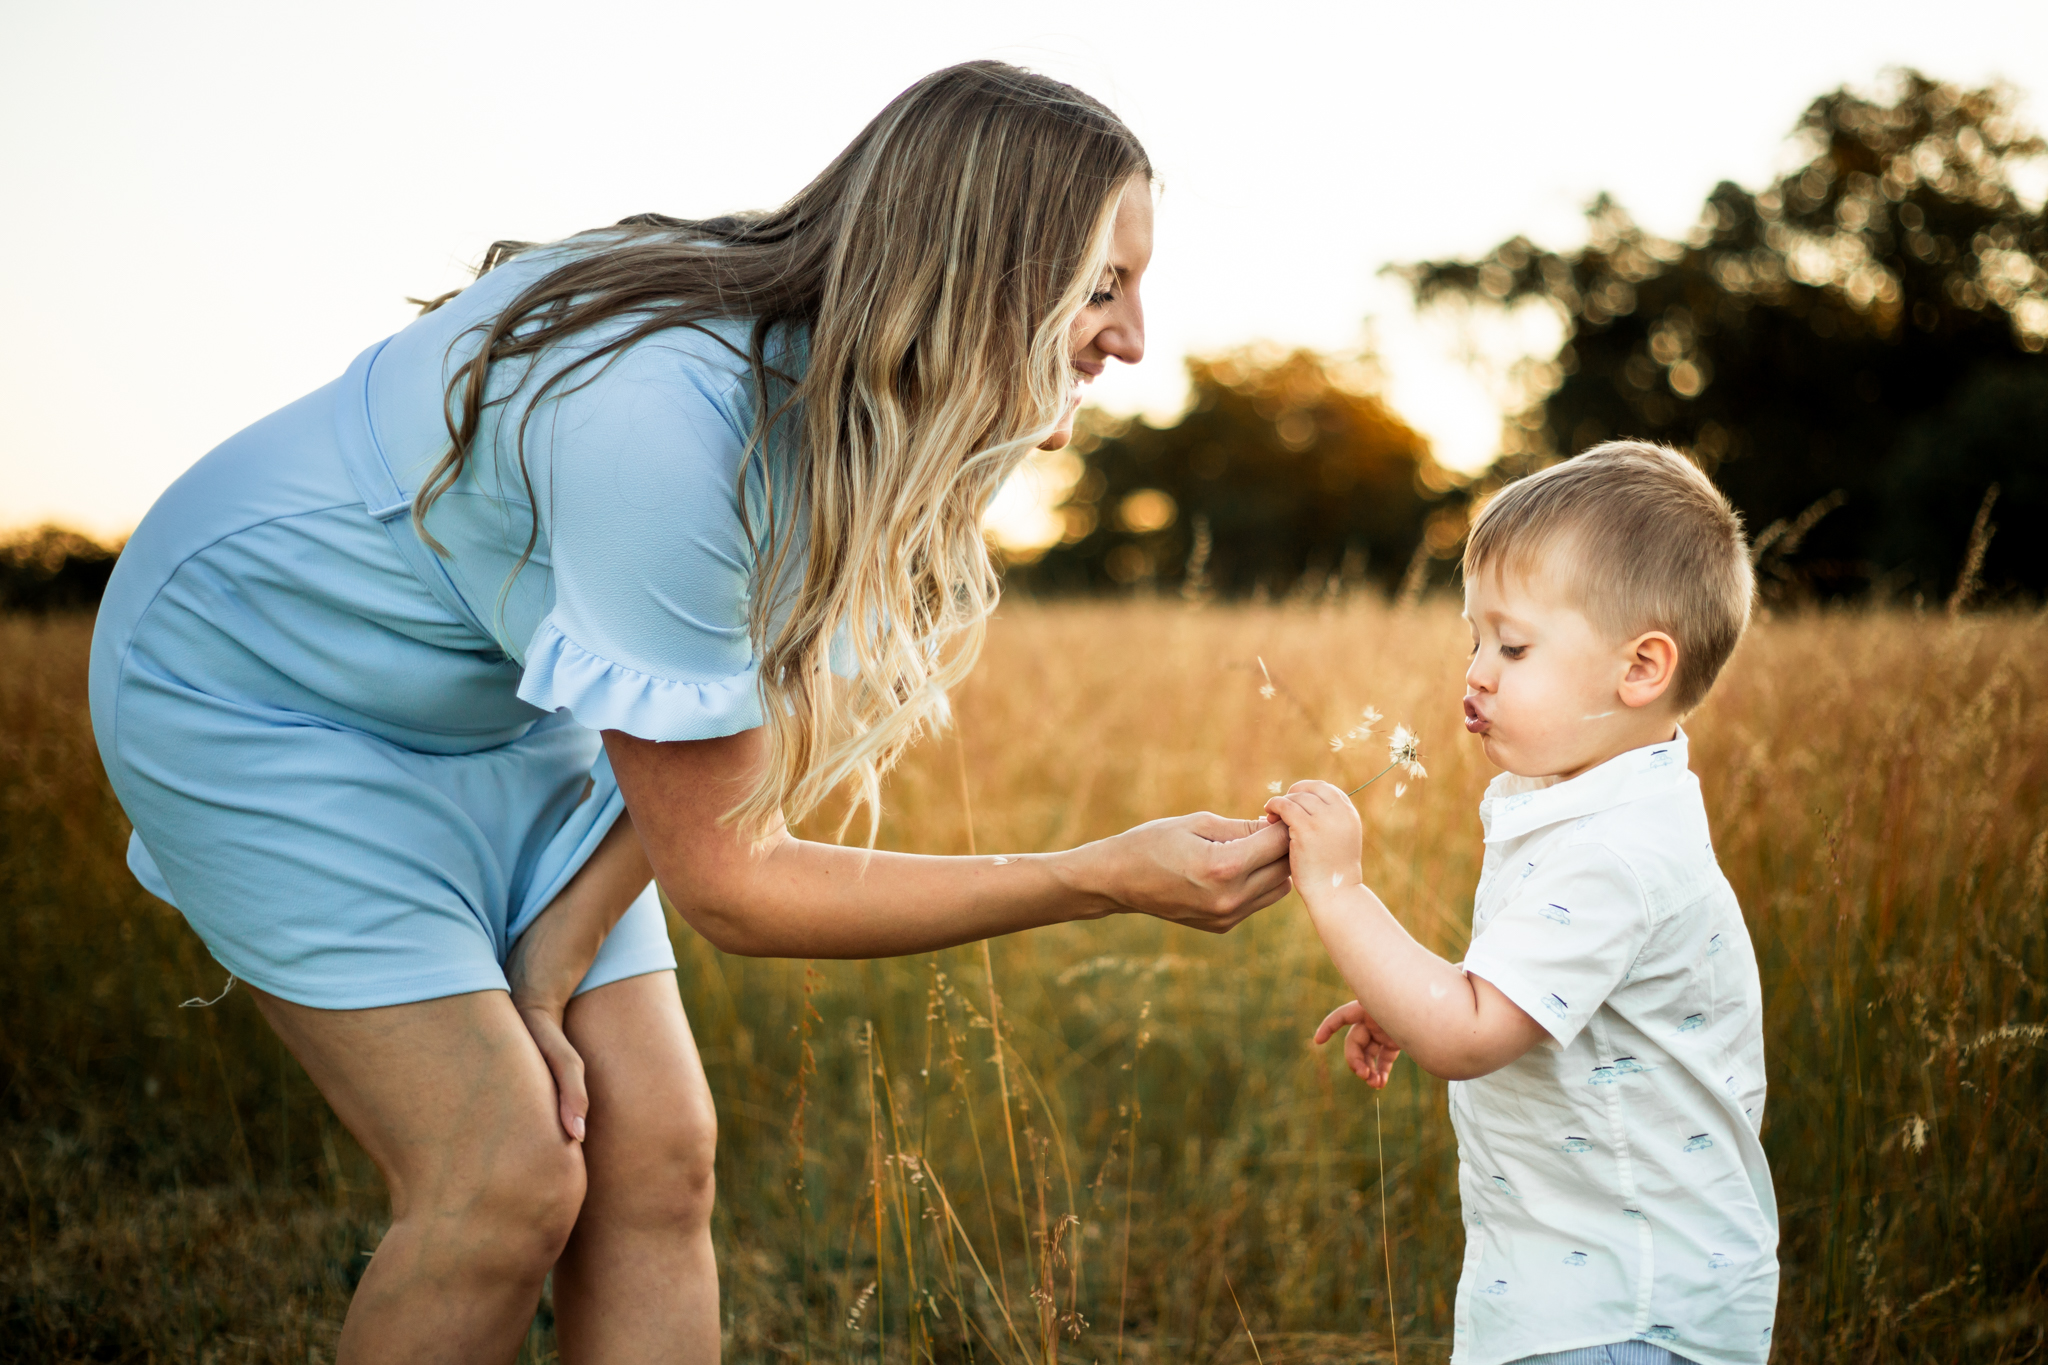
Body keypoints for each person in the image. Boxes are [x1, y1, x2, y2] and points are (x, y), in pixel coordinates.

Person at [88, 62, 1293, 1362]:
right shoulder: (674, 424)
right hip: (260, 691)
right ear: (976, 275)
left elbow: (698, 776)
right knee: (503, 1179)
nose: (1132, 340)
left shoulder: (859, 408)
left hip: (500, 705)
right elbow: (735, 885)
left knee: (657, 1160)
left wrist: (550, 962)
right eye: (1101, 288)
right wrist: (1094, 876)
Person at [1262, 442, 1778, 1365]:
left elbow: (1466, 1036)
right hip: (1587, 1294)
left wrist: (1339, 890)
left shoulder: (1614, 851)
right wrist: (1416, 990)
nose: (1477, 671)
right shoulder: (1594, 809)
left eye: (1514, 645)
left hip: (1622, 1319)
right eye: (1474, 639)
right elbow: (1538, 993)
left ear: (1641, 668)